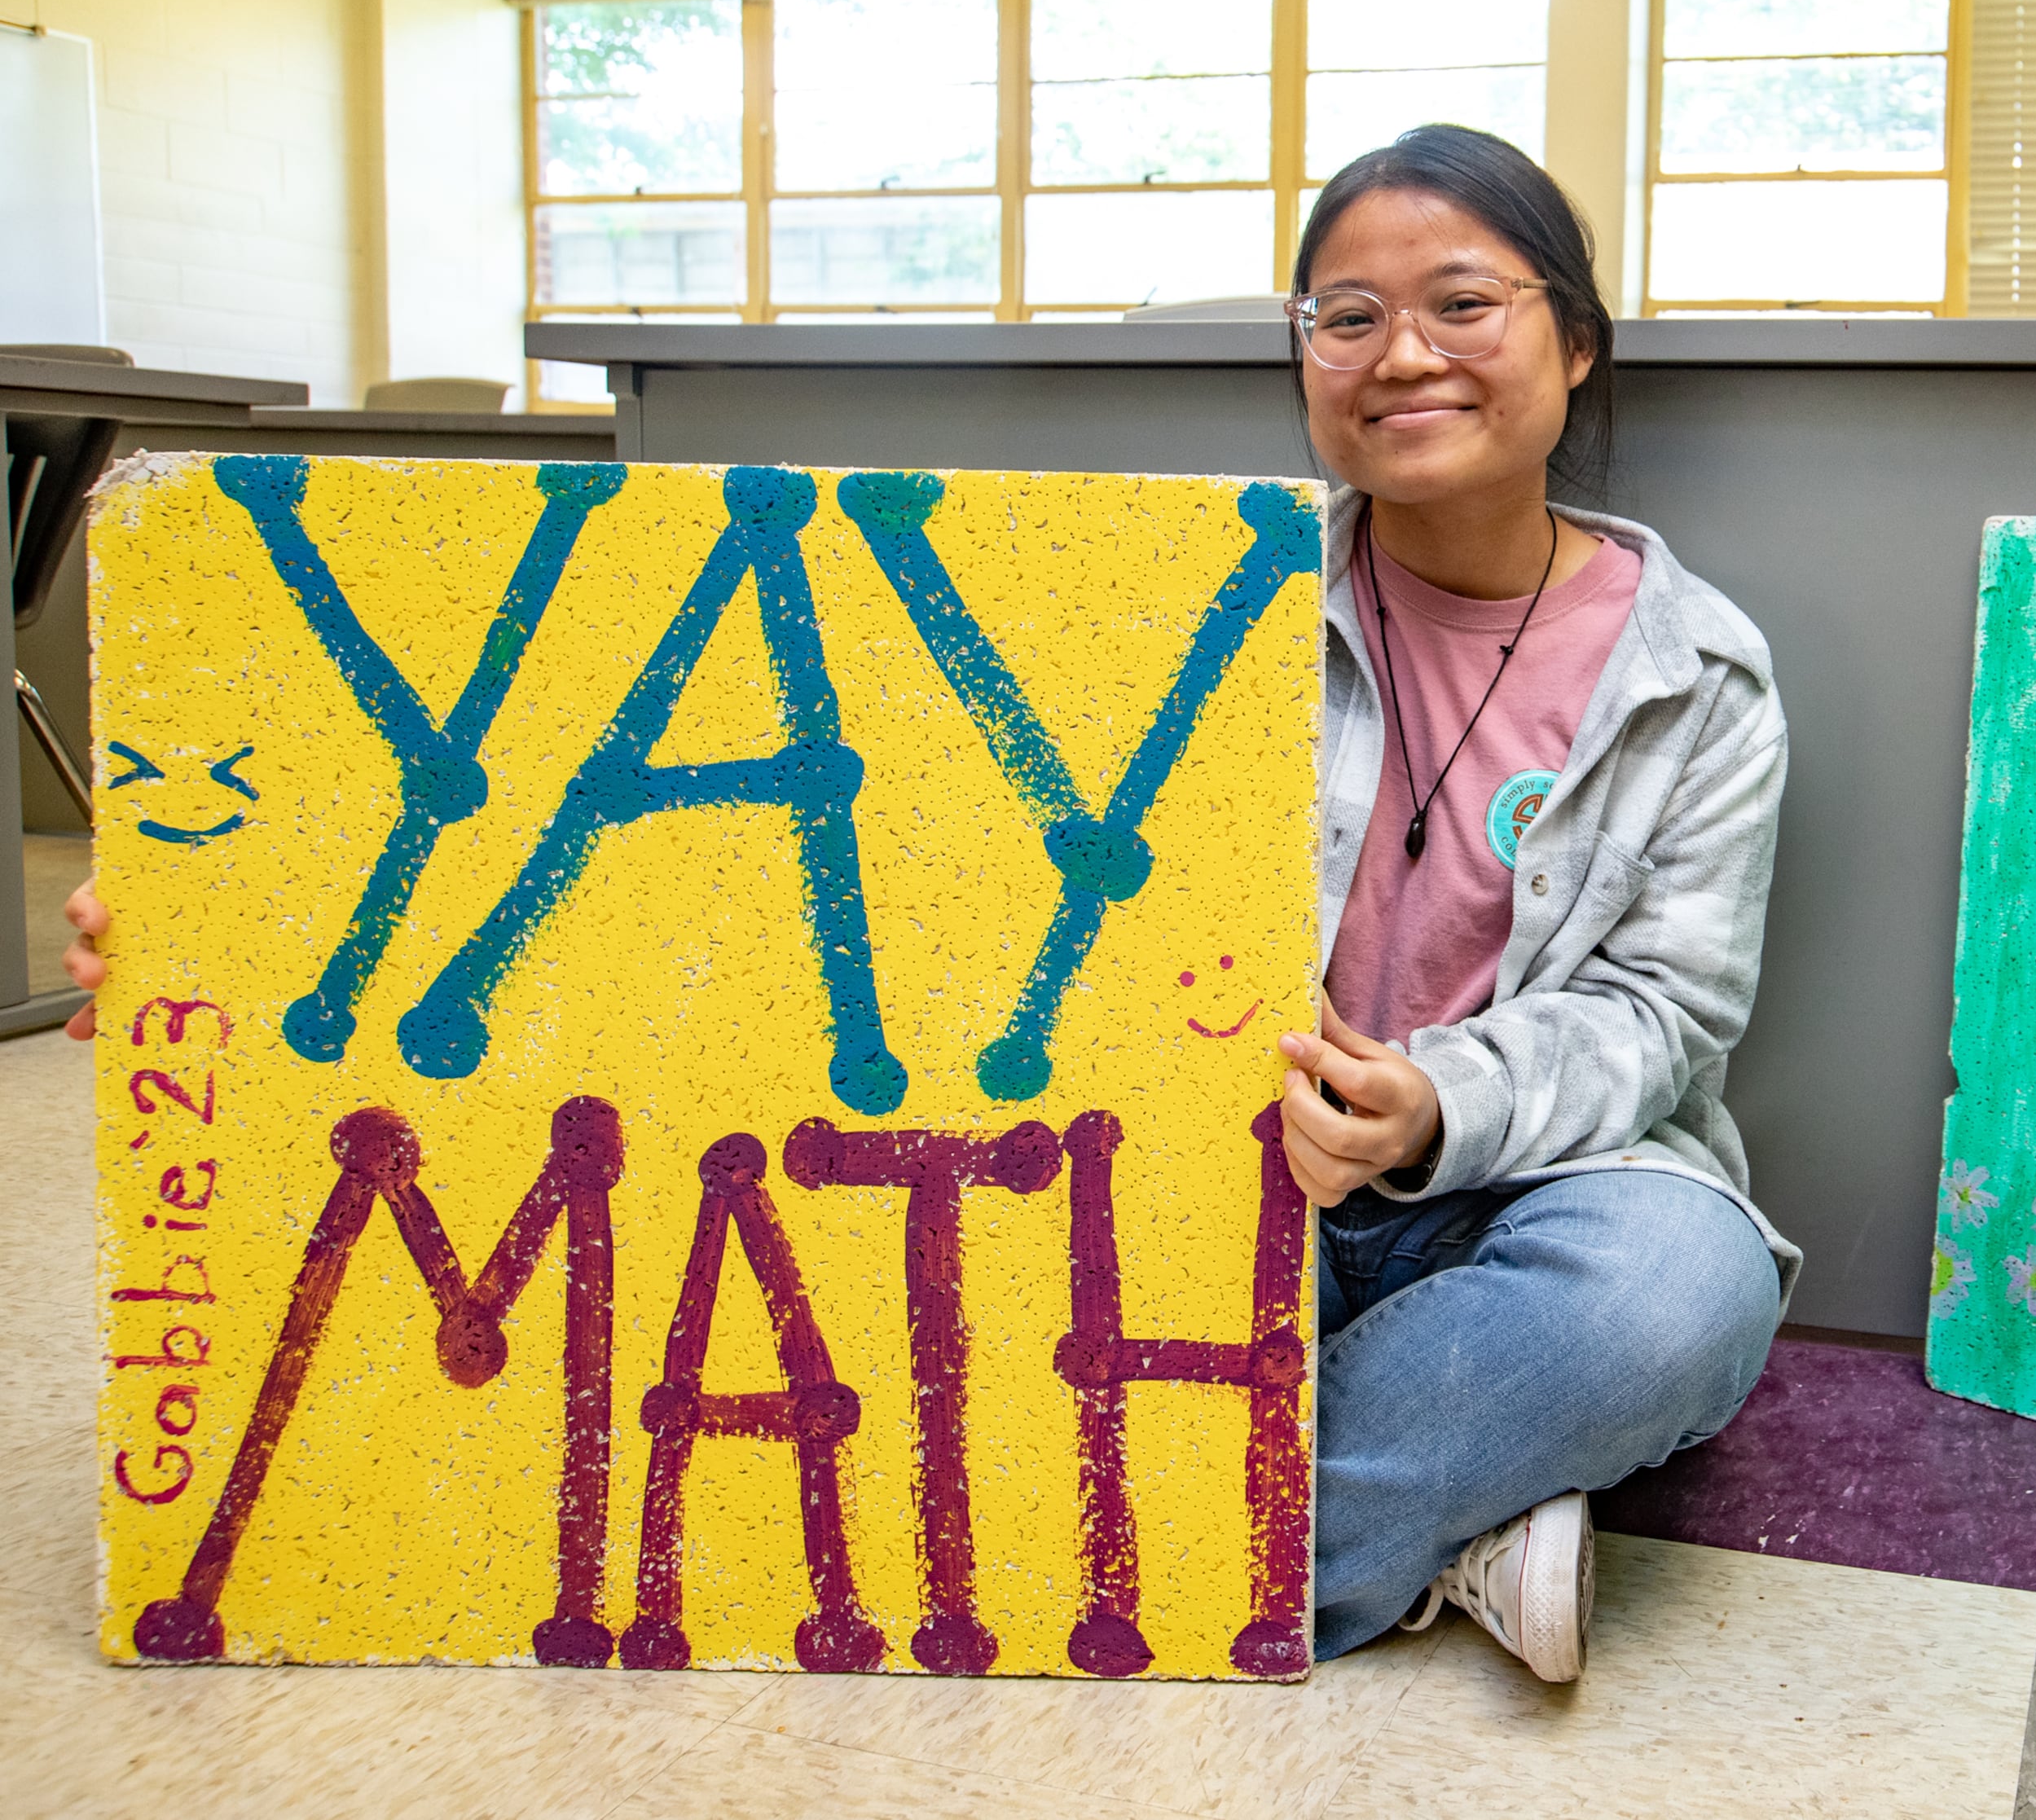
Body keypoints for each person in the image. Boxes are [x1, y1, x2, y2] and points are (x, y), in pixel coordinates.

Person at [60, 121, 1795, 1686]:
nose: (1400, 350)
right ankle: (1407, 1532)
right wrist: (232, 923)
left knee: (1677, 1292)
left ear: (1572, 341)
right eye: (1344, 314)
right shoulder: (1191, 600)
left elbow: (1665, 1019)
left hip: (1499, 1191)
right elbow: (832, 846)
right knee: (844, 1280)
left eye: (1462, 301)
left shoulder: (1696, 674)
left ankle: (1161, 1544)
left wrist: (1434, 1109)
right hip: (1178, 1175)